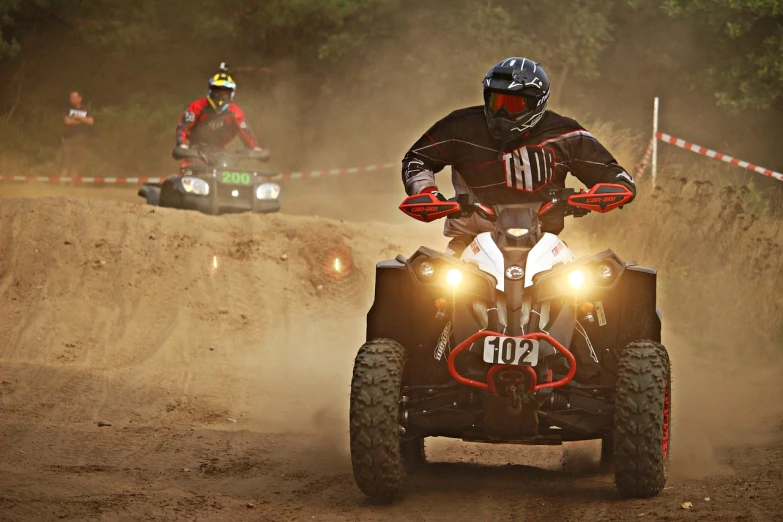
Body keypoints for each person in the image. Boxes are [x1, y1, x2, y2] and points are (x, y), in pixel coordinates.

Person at [401, 57, 636, 254]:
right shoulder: (460, 126)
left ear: (537, 104)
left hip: (545, 244)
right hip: (470, 242)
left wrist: (614, 188)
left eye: (512, 104)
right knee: (430, 292)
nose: (500, 111)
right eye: (495, 101)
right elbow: (417, 158)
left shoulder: (566, 134)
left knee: (593, 293)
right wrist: (426, 192)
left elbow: (613, 174)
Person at [175, 63, 268, 171]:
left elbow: (245, 130)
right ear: (210, 91)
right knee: (191, 171)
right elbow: (183, 126)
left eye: (225, 93)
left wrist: (254, 147)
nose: (220, 96)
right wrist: (180, 144)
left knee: (229, 170)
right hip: (196, 151)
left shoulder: (235, 112)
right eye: (217, 92)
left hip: (219, 152)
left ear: (231, 94)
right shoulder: (197, 106)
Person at [60, 90, 94, 177]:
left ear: (80, 99)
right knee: (65, 161)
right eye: (71, 97)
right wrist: (83, 120)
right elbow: (68, 121)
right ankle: (62, 184)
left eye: (74, 97)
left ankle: (73, 185)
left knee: (76, 162)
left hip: (81, 138)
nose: (72, 99)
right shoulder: (67, 109)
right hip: (68, 138)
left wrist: (78, 118)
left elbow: (91, 121)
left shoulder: (86, 109)